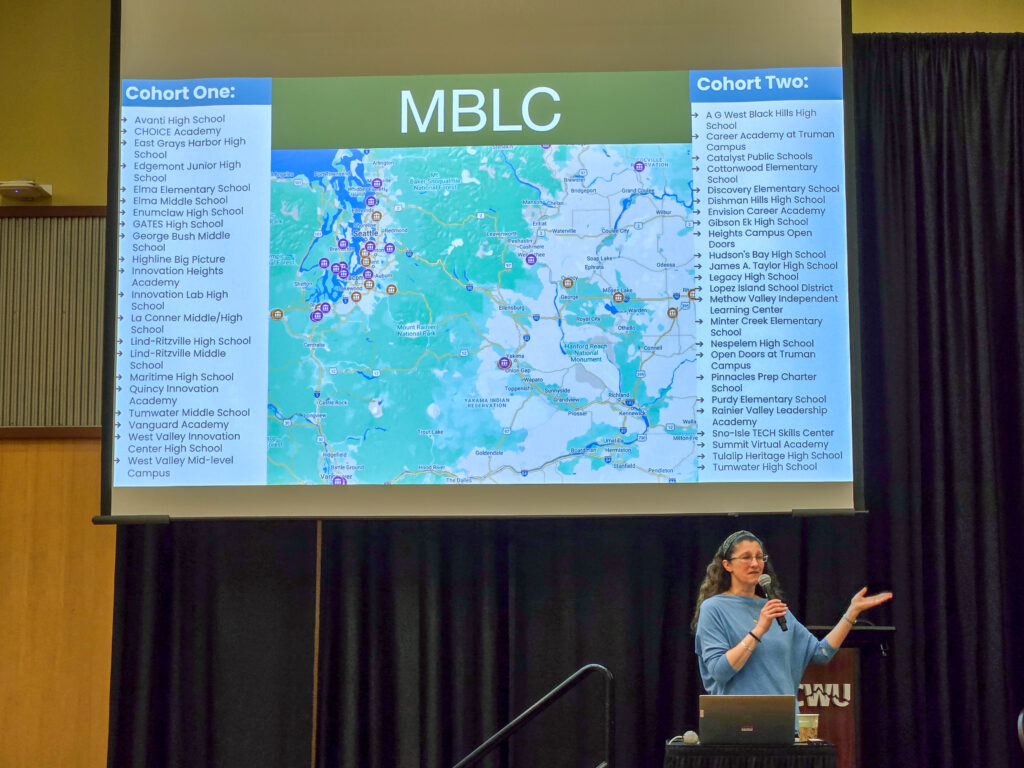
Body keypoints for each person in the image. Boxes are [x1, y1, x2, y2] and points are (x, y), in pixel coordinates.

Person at [692, 530, 892, 702]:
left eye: (760, 557)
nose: (755, 563)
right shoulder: (714, 608)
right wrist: (759, 630)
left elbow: (821, 653)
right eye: (746, 557)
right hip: (738, 727)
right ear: (727, 565)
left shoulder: (776, 609)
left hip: (784, 725)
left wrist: (851, 613)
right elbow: (719, 672)